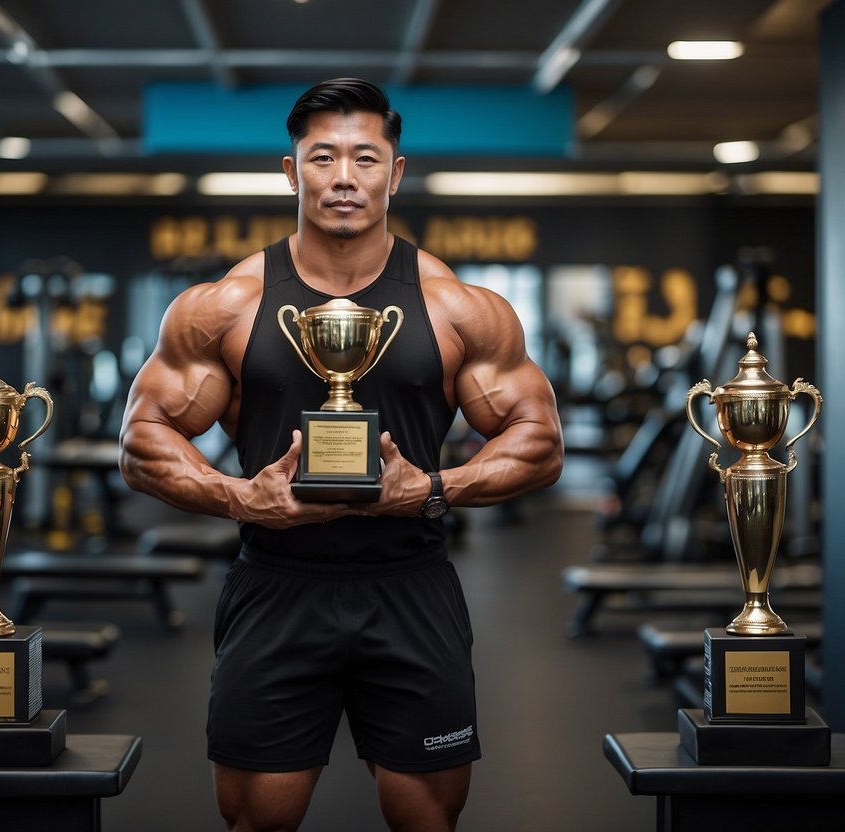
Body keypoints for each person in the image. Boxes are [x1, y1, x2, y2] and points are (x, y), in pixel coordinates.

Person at [120, 77, 563, 832]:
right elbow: (141, 441)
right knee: (256, 818)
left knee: (426, 819)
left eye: (365, 157)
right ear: (291, 172)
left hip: (410, 586)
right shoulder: (224, 304)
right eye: (322, 157)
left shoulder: (457, 306)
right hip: (277, 588)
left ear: (394, 172)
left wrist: (430, 487)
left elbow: (540, 442)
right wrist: (238, 496)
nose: (344, 176)